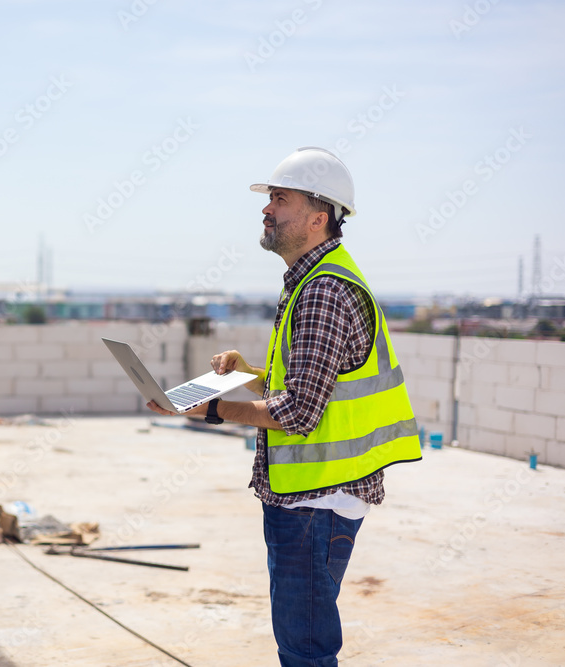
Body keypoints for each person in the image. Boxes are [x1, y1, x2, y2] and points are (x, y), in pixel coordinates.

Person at [147, 147, 422, 666]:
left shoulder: (322, 291)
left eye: (280, 199)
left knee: (306, 648)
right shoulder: (311, 281)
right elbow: (303, 386)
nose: (267, 210)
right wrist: (247, 371)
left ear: (319, 217)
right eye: (269, 199)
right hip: (312, 499)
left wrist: (209, 410)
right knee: (303, 642)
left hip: (315, 501)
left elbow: (297, 413)